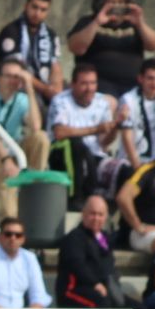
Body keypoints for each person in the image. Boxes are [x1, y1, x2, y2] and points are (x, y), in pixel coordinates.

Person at [0, 58, 50, 218]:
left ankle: (33, 184)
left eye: (18, 77)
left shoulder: (21, 99)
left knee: (41, 138)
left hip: (13, 155)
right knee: (9, 177)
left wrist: (30, 88)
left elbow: (35, 127)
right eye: (10, 76)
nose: (14, 81)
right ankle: (10, 224)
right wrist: (6, 160)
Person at [56, 194, 128, 309]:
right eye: (92, 213)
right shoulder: (74, 238)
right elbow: (76, 265)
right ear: (83, 214)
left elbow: (108, 265)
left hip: (102, 288)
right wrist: (96, 283)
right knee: (101, 304)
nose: (97, 218)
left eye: (101, 214)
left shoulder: (103, 238)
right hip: (73, 290)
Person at [48, 64, 122, 211]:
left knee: (123, 169)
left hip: (94, 156)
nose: (89, 88)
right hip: (62, 155)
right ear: (73, 84)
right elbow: (60, 133)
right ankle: (76, 197)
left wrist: (114, 130)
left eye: (93, 83)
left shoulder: (102, 103)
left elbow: (103, 142)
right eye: (84, 83)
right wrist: (95, 129)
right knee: (75, 144)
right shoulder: (61, 101)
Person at [68, 0, 155, 103]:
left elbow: (154, 45)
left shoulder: (133, 24)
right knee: (110, 104)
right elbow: (76, 48)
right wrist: (97, 22)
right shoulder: (88, 22)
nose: (116, 6)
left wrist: (140, 23)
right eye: (111, 2)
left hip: (132, 84)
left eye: (120, 2)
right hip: (100, 84)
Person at [118, 56, 155, 167]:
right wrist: (138, 168)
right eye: (150, 78)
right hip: (132, 162)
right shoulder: (128, 100)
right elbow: (127, 137)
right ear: (140, 79)